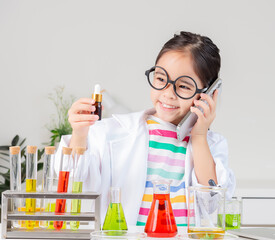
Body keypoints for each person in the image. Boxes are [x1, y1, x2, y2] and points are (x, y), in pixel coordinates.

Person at [55, 31, 236, 226]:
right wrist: (80, 134)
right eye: (160, 79)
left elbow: (211, 204)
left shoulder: (210, 146)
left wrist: (199, 136)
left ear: (208, 93)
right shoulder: (111, 132)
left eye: (183, 86)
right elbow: (74, 187)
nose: (167, 93)